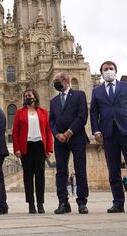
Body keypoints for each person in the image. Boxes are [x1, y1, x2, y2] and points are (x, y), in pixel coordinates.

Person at [90, 61, 127, 213]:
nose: (108, 71)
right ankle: (118, 203)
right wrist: (96, 131)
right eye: (106, 69)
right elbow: (94, 112)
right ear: (102, 73)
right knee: (113, 170)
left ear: (115, 71)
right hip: (108, 134)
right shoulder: (96, 91)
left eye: (111, 69)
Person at [49, 72, 89, 214]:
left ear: (65, 80)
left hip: (76, 137)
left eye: (56, 80)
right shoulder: (53, 101)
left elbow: (82, 116)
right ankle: (63, 202)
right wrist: (57, 134)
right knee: (61, 171)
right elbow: (51, 121)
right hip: (59, 140)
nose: (55, 83)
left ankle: (82, 202)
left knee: (80, 169)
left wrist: (69, 132)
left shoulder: (79, 95)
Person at [13, 88, 53, 214]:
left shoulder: (43, 112)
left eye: (29, 95)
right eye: (25, 96)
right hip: (26, 146)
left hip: (40, 146)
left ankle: (40, 203)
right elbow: (15, 133)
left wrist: (49, 149)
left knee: (40, 176)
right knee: (28, 176)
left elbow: (48, 131)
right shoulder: (19, 112)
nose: (27, 98)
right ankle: (31, 203)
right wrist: (17, 148)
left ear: (35, 97)